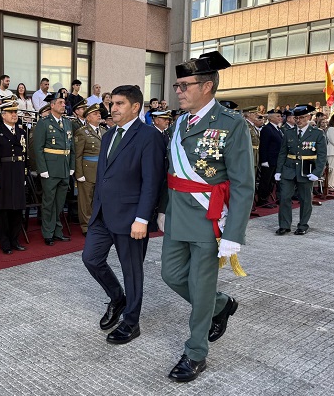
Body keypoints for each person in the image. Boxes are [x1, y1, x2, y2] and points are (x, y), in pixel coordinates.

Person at [159, 51, 254, 382]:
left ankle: (195, 352)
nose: (178, 91)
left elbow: (243, 184)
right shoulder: (179, 123)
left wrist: (234, 234)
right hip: (177, 215)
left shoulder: (231, 124)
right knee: (171, 275)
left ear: (207, 86)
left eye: (184, 85)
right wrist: (163, 209)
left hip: (208, 219)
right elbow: (172, 173)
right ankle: (221, 304)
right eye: (177, 85)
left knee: (200, 288)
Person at [82, 85, 165, 345]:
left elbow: (152, 181)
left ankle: (131, 322)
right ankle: (118, 299)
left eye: (120, 104)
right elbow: (104, 176)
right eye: (112, 103)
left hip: (131, 218)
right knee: (91, 258)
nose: (113, 108)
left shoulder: (149, 136)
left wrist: (142, 219)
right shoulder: (108, 135)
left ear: (135, 107)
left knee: (132, 271)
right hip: (103, 214)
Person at [275, 105, 328, 235]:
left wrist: (317, 172)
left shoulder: (317, 133)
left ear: (308, 117)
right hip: (289, 168)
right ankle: (284, 225)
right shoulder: (289, 132)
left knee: (305, 199)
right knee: (284, 197)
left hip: (306, 168)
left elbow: (322, 155)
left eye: (302, 117)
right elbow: (283, 153)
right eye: (296, 118)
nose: (298, 120)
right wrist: (278, 170)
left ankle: (303, 225)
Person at [0, 99, 28, 254]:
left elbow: (25, 155)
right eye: (11, 112)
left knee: (17, 209)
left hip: (17, 172)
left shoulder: (21, 132)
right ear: (3, 115)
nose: (14, 114)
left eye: (15, 112)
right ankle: (5, 243)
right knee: (4, 210)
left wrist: (24, 174)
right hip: (3, 173)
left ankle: (14, 239)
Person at [32, 90, 75, 246]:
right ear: (52, 105)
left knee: (59, 203)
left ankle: (57, 231)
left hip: (64, 168)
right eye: (60, 103)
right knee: (49, 202)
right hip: (50, 169)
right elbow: (38, 148)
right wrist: (42, 169)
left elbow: (71, 147)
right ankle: (48, 232)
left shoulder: (68, 123)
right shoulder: (44, 123)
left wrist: (71, 166)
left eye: (64, 103)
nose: (64, 105)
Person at [74, 103, 106, 236]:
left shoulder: (104, 131)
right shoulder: (82, 132)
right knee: (86, 200)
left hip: (101, 170)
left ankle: (97, 222)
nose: (98, 115)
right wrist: (79, 174)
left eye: (99, 113)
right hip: (87, 171)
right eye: (95, 114)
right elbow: (78, 155)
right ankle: (86, 226)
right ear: (88, 117)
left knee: (98, 198)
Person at [257, 109, 283, 207]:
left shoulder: (277, 128)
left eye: (280, 116)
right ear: (270, 118)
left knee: (271, 181)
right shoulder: (267, 129)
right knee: (265, 181)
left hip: (275, 159)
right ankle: (262, 200)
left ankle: (267, 198)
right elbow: (264, 146)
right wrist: (264, 160)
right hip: (269, 160)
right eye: (277, 116)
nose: (280, 118)